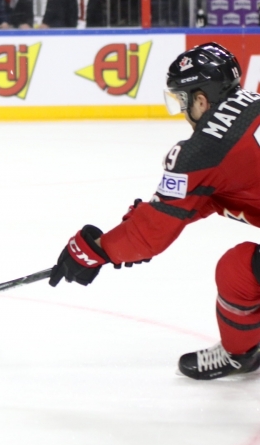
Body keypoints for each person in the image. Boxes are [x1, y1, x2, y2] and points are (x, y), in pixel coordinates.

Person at [48, 42, 260, 381]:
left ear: (201, 100)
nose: (182, 110)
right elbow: (214, 195)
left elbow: (148, 237)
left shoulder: (202, 150)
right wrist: (156, 211)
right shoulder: (251, 103)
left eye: (182, 100)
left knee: (238, 271)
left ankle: (241, 352)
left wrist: (95, 251)